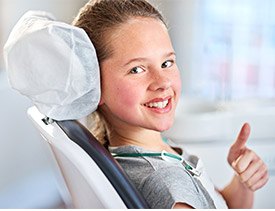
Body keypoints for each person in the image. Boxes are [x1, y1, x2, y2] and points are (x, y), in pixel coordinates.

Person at [72, 0, 269, 209]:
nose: (163, 82)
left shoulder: (159, 155)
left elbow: (218, 204)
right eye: (137, 69)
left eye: (166, 63)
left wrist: (242, 182)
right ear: (94, 86)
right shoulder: (166, 182)